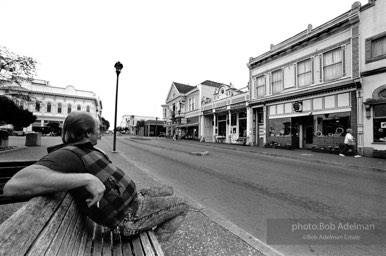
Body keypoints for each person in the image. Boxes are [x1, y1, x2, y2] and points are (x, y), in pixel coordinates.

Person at [4, 111, 189, 242]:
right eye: (98, 129)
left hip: (133, 202)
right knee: (182, 205)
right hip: (128, 217)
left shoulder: (86, 149)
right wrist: (87, 179)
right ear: (86, 133)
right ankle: (153, 244)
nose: (101, 133)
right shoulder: (68, 154)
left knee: (168, 189)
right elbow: (14, 185)